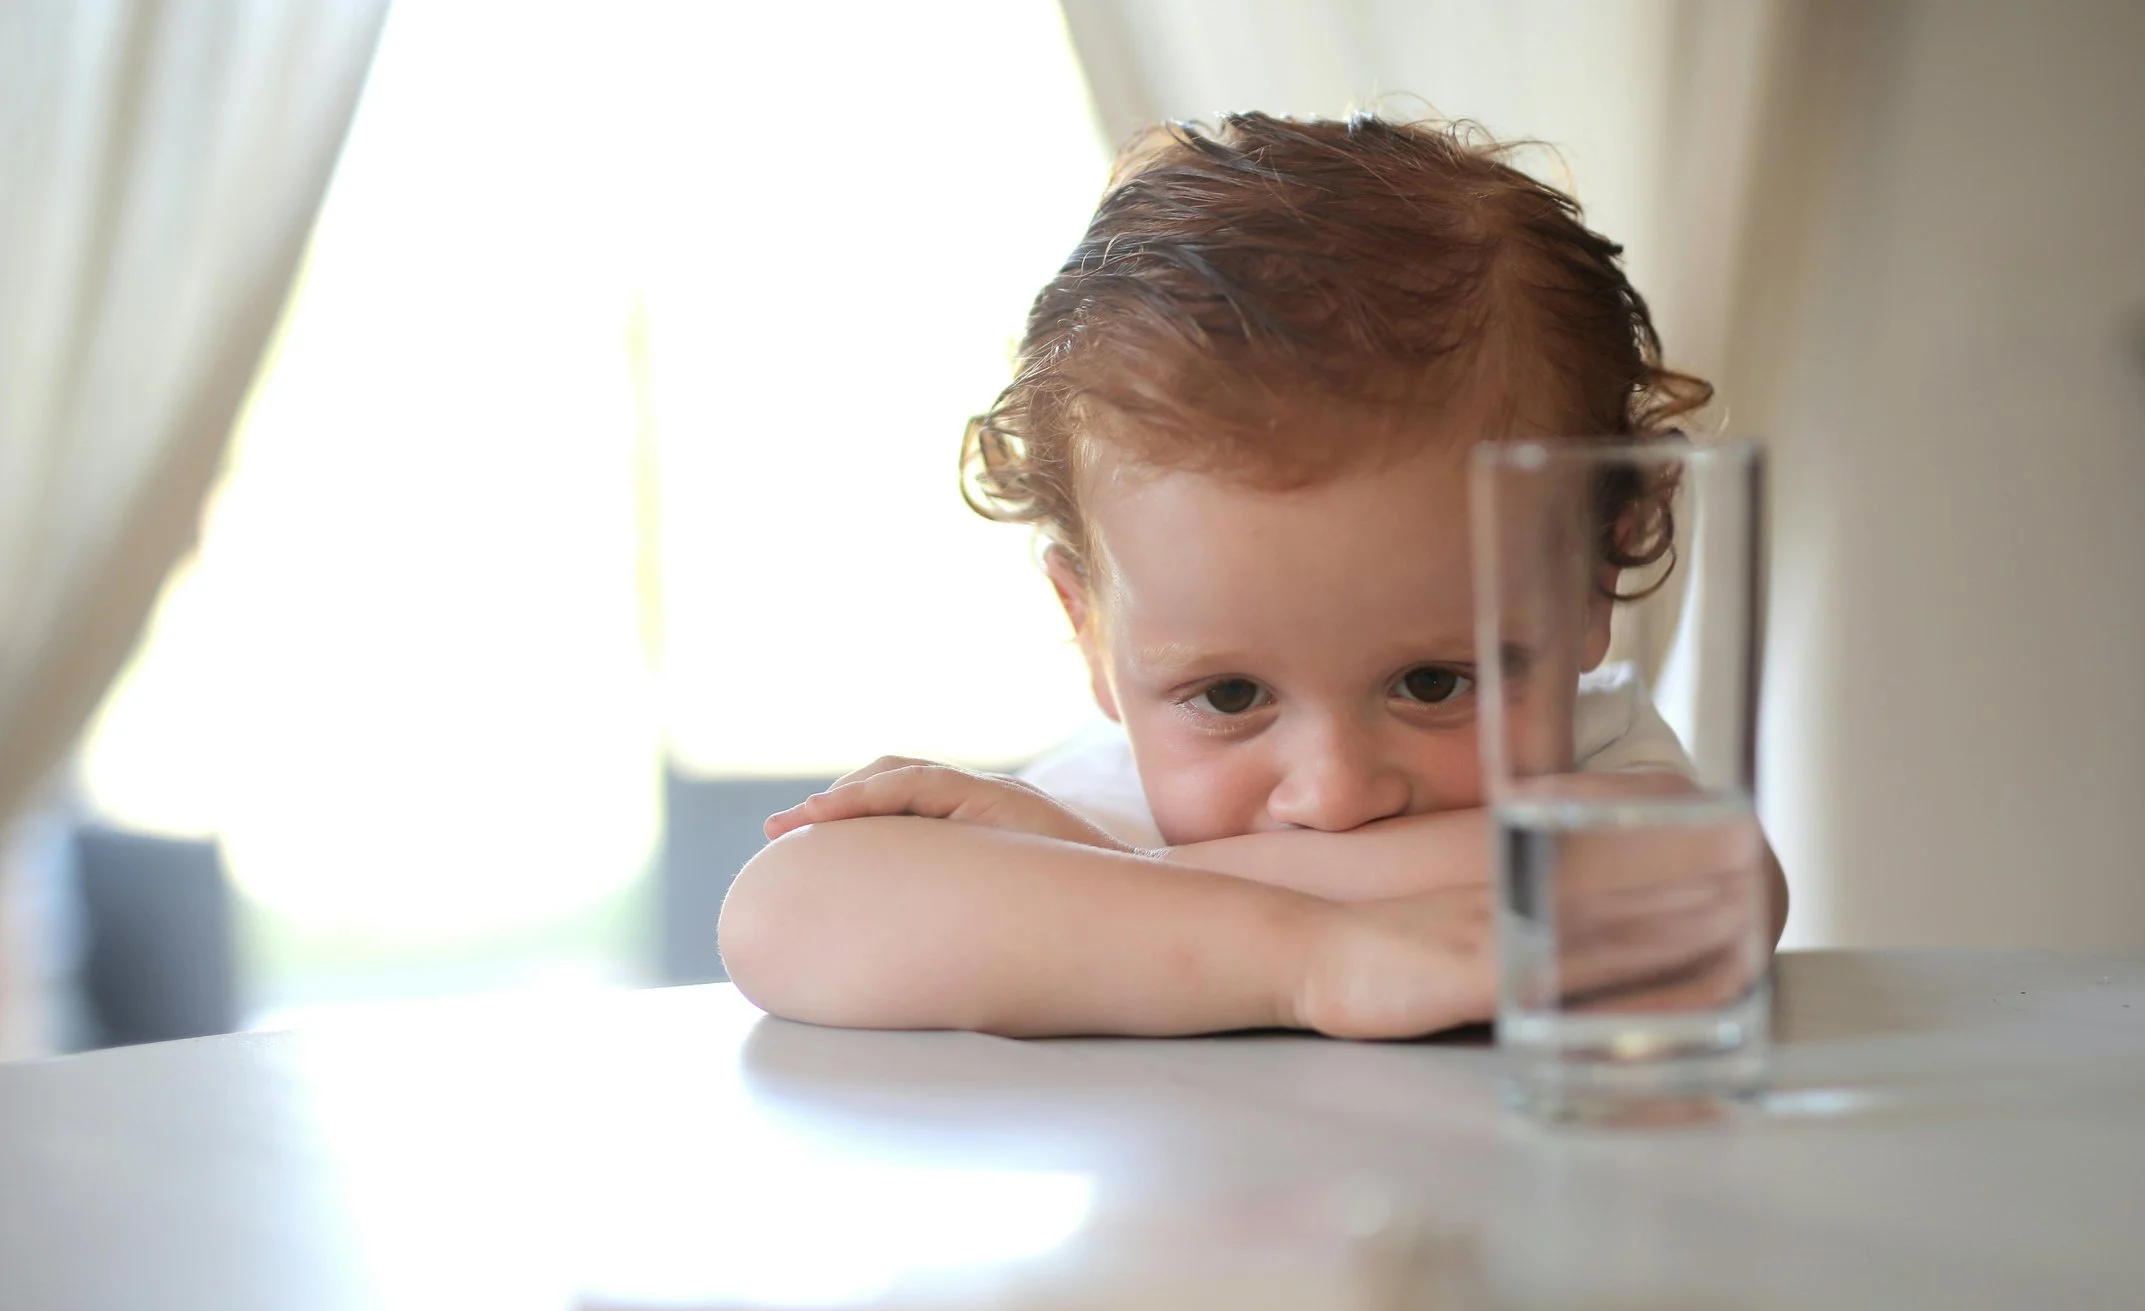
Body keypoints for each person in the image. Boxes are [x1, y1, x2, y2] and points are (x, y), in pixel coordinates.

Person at [718, 112, 1786, 1039]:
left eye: (1433, 682)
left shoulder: (1597, 770)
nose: (1331, 793)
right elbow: (781, 914)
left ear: (1596, 583)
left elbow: (1703, 881)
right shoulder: (1107, 796)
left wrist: (1111, 886)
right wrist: (1311, 962)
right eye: (1230, 696)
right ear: (1090, 631)